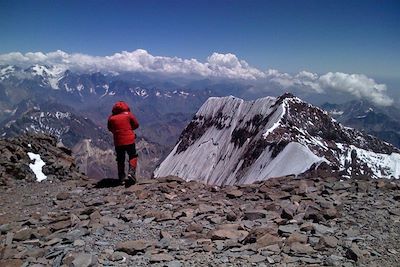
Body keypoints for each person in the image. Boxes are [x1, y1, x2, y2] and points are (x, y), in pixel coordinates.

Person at [107, 101, 139, 185]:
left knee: (120, 159)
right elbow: (136, 125)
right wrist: (129, 129)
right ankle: (131, 172)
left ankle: (121, 177)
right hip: (129, 140)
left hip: (118, 141)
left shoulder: (111, 118)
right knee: (132, 155)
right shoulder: (128, 115)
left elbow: (109, 128)